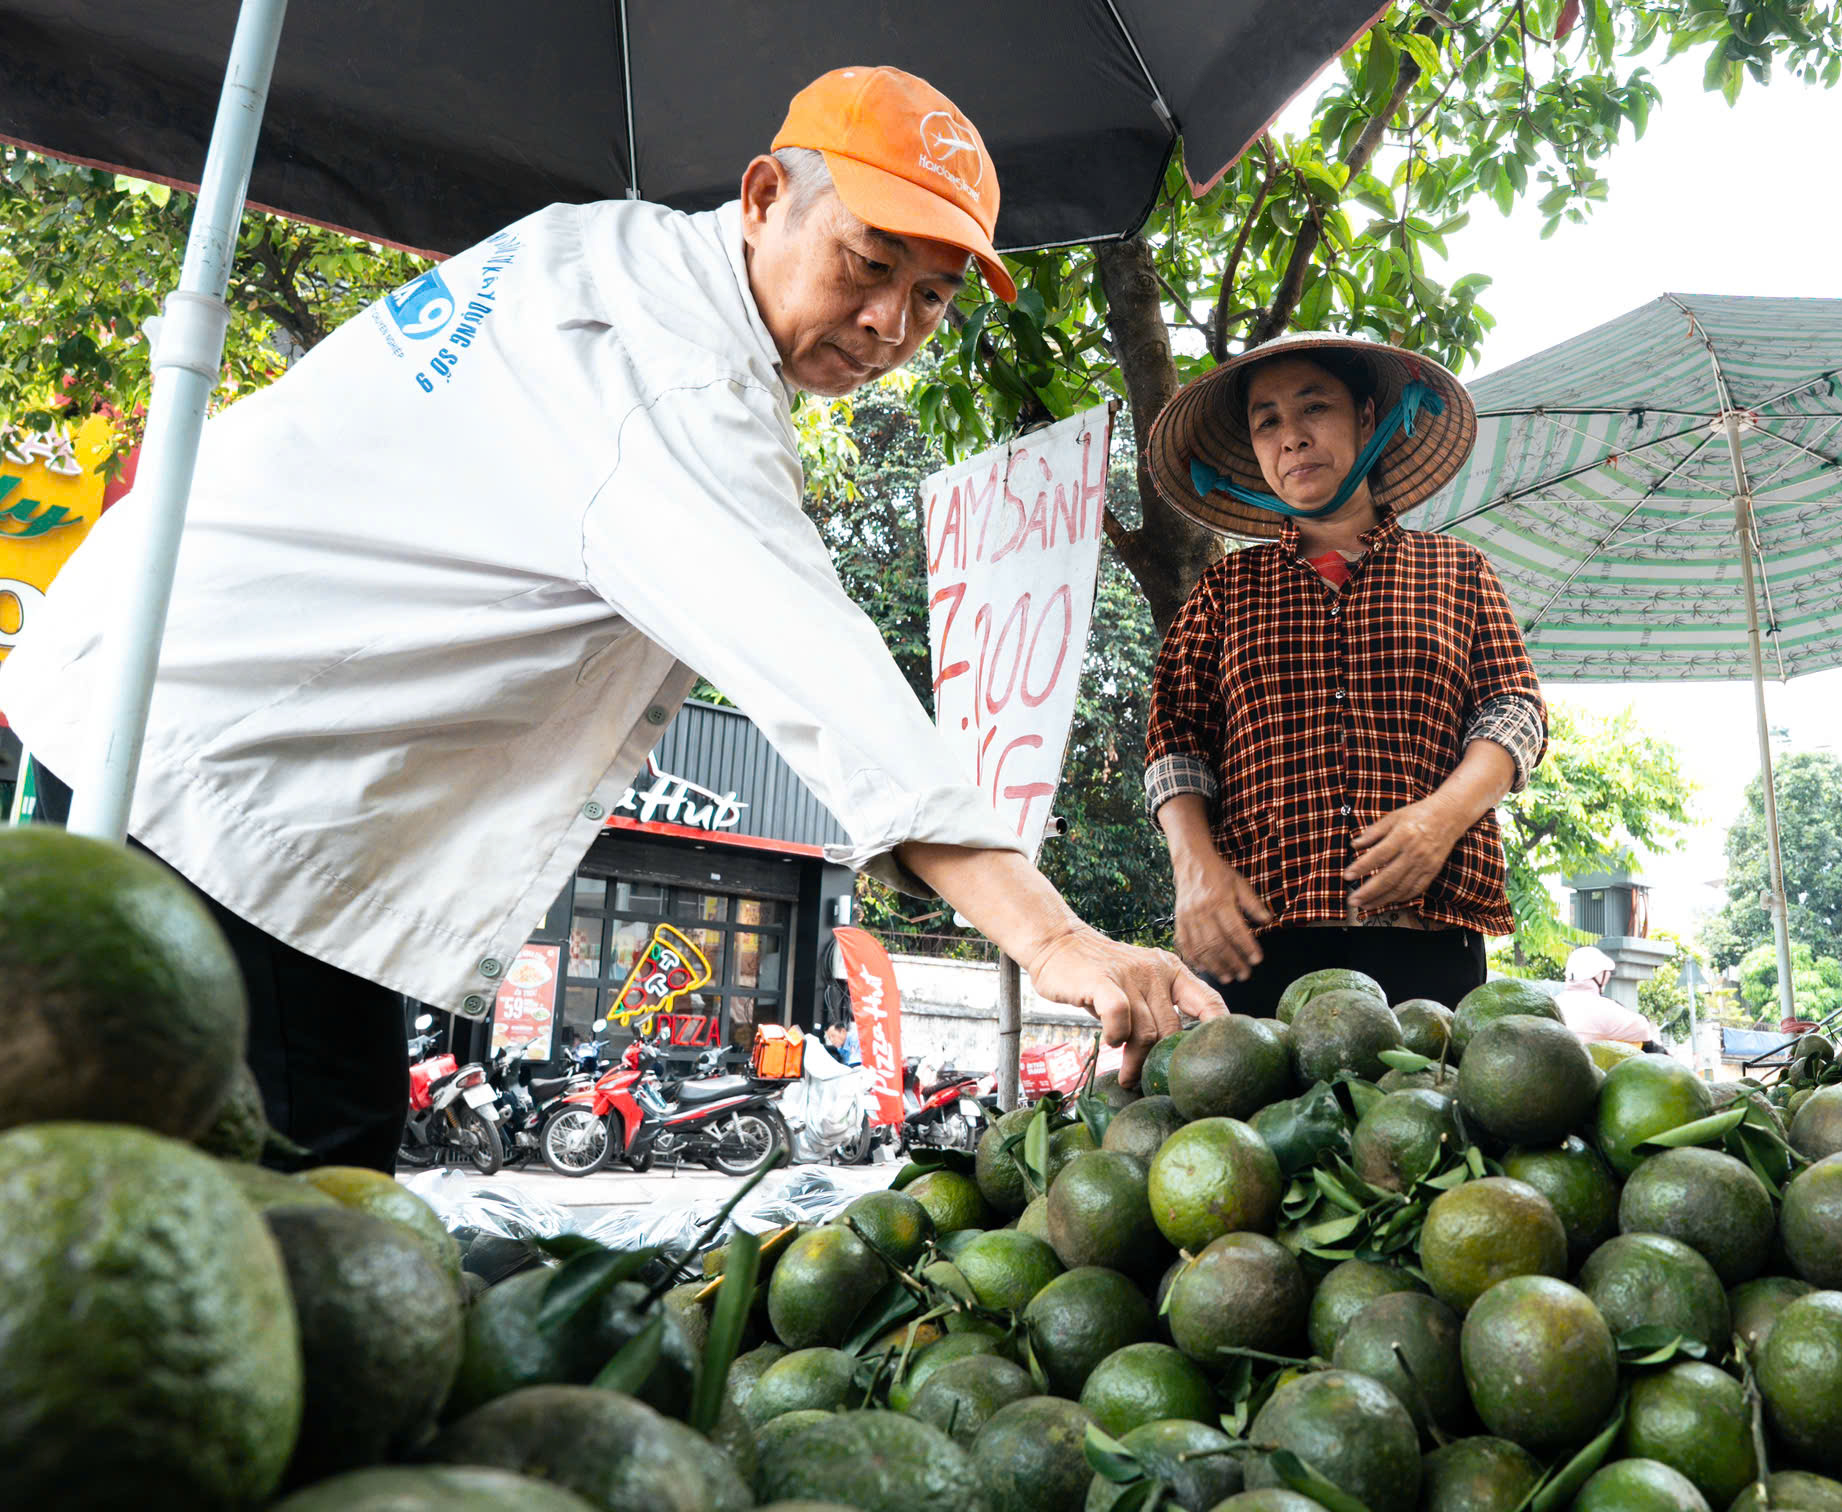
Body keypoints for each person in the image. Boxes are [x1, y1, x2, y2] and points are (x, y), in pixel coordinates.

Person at [1, 66, 1215, 1172]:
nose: (890, 323)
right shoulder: (669, 368)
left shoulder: (611, 253)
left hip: (234, 751)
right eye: (867, 261)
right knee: (240, 1196)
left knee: (325, 1167)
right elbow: (827, 682)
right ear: (762, 197)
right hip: (198, 761)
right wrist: (1056, 942)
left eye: (932, 297)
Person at [1142, 332, 1546, 1016]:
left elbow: (1515, 713)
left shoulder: (1456, 570)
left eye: (1314, 408)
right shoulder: (1225, 591)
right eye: (1267, 420)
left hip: (1427, 938)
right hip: (1257, 945)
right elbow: (1175, 740)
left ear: (1366, 418)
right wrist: (1193, 868)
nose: (1292, 437)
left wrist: (1441, 820)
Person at [1555, 945, 1662, 1050]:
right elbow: (1642, 1029)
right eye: (1606, 973)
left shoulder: (1555, 1002)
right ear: (1598, 975)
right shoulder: (1601, 1007)